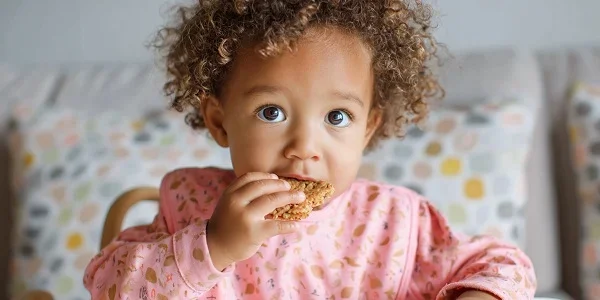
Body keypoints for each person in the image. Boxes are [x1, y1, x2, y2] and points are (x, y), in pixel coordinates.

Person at [84, 1, 537, 299]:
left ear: (367, 128)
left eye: (336, 117)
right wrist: (213, 246)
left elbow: (503, 265)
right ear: (220, 120)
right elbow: (106, 286)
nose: (303, 147)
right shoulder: (190, 205)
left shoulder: (395, 223)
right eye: (271, 112)